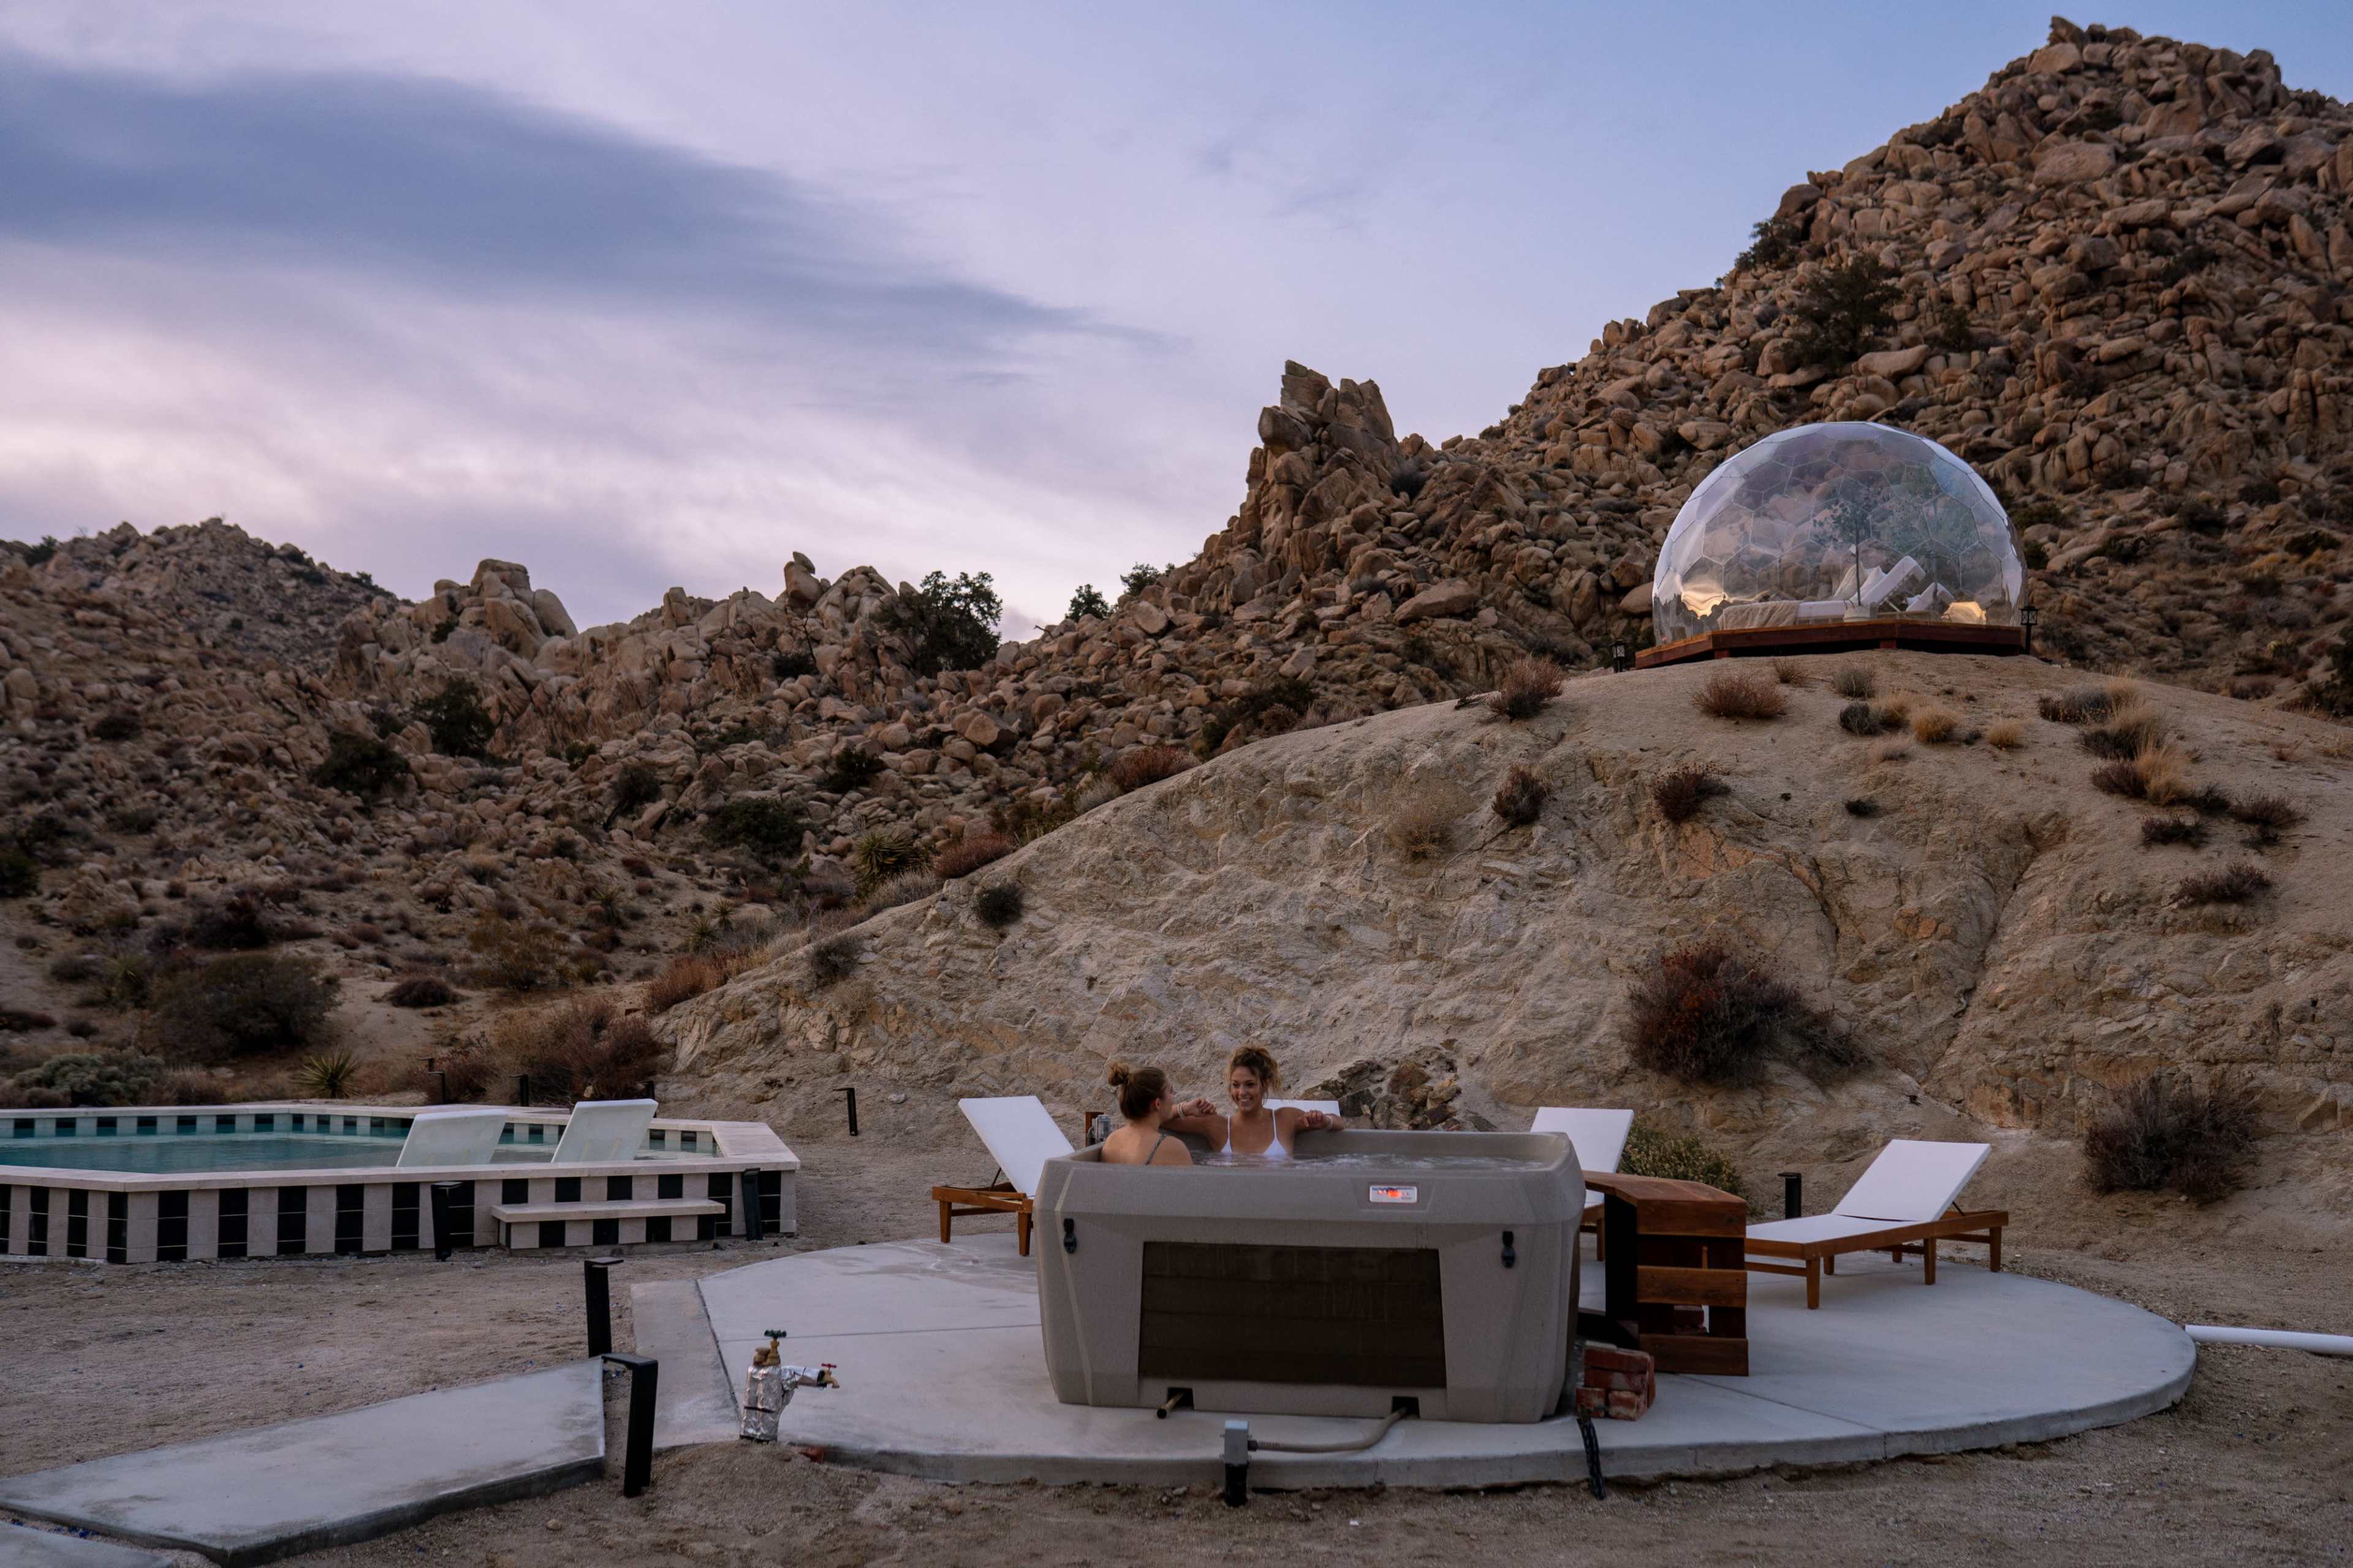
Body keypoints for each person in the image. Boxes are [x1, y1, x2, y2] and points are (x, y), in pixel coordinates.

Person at [1167, 1045, 1341, 1162]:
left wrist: (1325, 1121)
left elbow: (1340, 1123)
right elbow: (1158, 1118)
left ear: (1264, 1085)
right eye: (1236, 1085)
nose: (1242, 1093)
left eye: (1250, 1085)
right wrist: (1185, 1108)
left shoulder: (1284, 1119)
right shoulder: (1217, 1125)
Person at [1099, 1061, 1194, 1167]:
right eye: (1171, 1092)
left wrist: (1185, 1109)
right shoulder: (1173, 1148)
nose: (1173, 1098)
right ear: (1158, 1104)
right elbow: (1192, 1183)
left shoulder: (1112, 1141)